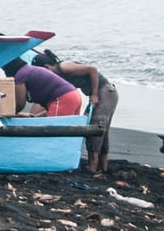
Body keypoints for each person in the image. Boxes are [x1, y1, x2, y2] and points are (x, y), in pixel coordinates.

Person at [34, 48, 117, 176]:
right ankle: (103, 168)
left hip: (105, 92)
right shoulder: (58, 77)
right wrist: (36, 116)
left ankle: (93, 168)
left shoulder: (64, 67)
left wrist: (94, 94)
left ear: (47, 67)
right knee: (102, 131)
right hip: (100, 93)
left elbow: (92, 70)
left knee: (96, 127)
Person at [4, 56, 84, 117]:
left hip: (63, 98)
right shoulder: (29, 69)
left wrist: (10, 114)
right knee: (69, 132)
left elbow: (20, 104)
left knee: (54, 133)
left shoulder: (20, 76)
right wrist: (36, 117)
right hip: (74, 95)